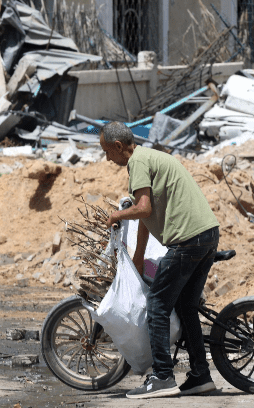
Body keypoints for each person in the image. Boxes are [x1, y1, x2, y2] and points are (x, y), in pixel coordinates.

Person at [100, 121, 220, 399]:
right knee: (186, 306)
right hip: (206, 235)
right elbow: (146, 215)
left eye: (107, 151)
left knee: (156, 305)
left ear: (119, 147)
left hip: (187, 241)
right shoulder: (151, 157)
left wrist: (116, 216)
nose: (107, 158)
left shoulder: (137, 163)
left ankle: (163, 377)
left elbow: (143, 207)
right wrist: (139, 256)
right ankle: (200, 376)